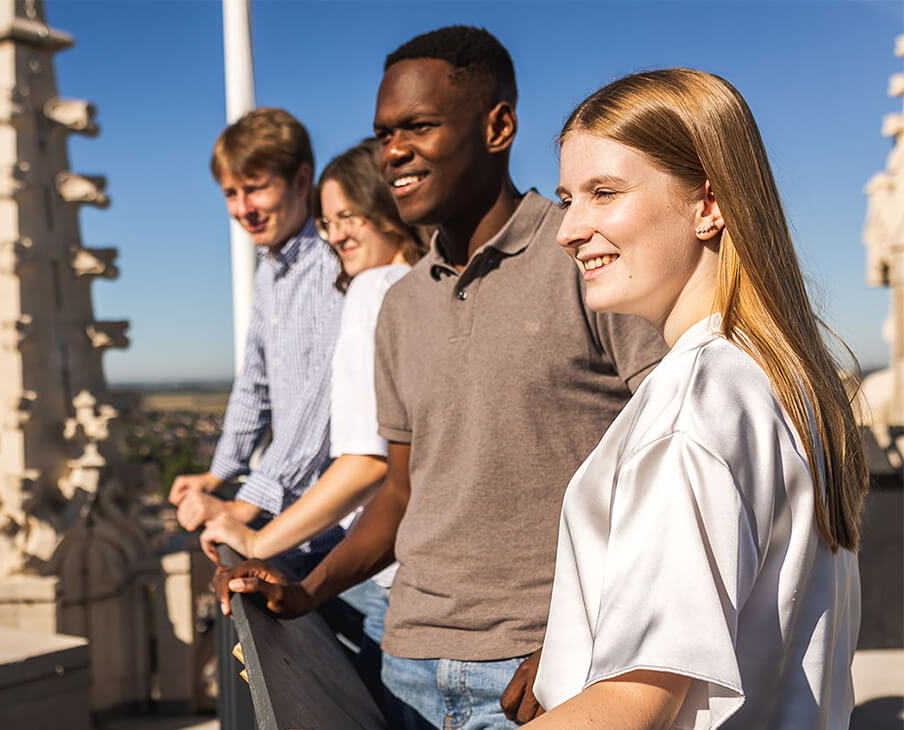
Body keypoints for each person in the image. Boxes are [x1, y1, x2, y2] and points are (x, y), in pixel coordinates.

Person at [213, 26, 666, 730]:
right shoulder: (400, 304)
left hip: (542, 677)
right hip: (407, 668)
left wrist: (585, 637)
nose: (393, 151)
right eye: (383, 133)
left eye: (418, 127)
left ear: (498, 127)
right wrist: (305, 589)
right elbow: (399, 494)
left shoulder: (584, 258)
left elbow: (667, 470)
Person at [525, 68, 866, 730]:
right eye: (568, 198)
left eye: (604, 192)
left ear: (709, 204)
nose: (568, 229)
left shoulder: (694, 401)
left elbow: (638, 699)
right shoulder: (777, 377)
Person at [200, 137, 427, 706]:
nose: (337, 235)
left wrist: (256, 534)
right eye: (330, 222)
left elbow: (365, 460)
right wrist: (221, 476)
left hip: (394, 573)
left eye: (349, 215)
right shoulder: (428, 286)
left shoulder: (372, 287)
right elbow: (255, 384)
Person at [169, 107, 345, 567]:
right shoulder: (271, 270)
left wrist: (244, 505)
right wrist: (218, 475)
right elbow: (256, 383)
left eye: (256, 188)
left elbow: (323, 400)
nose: (242, 209)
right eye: (231, 193)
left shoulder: (335, 259)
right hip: (298, 526)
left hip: (346, 530)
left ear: (301, 180)